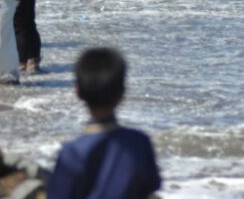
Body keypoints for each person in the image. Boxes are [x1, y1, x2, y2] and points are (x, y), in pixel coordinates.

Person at [47, 48, 162, 199]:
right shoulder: (140, 142)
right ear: (122, 93)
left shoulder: (72, 152)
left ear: (78, 91)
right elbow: (150, 187)